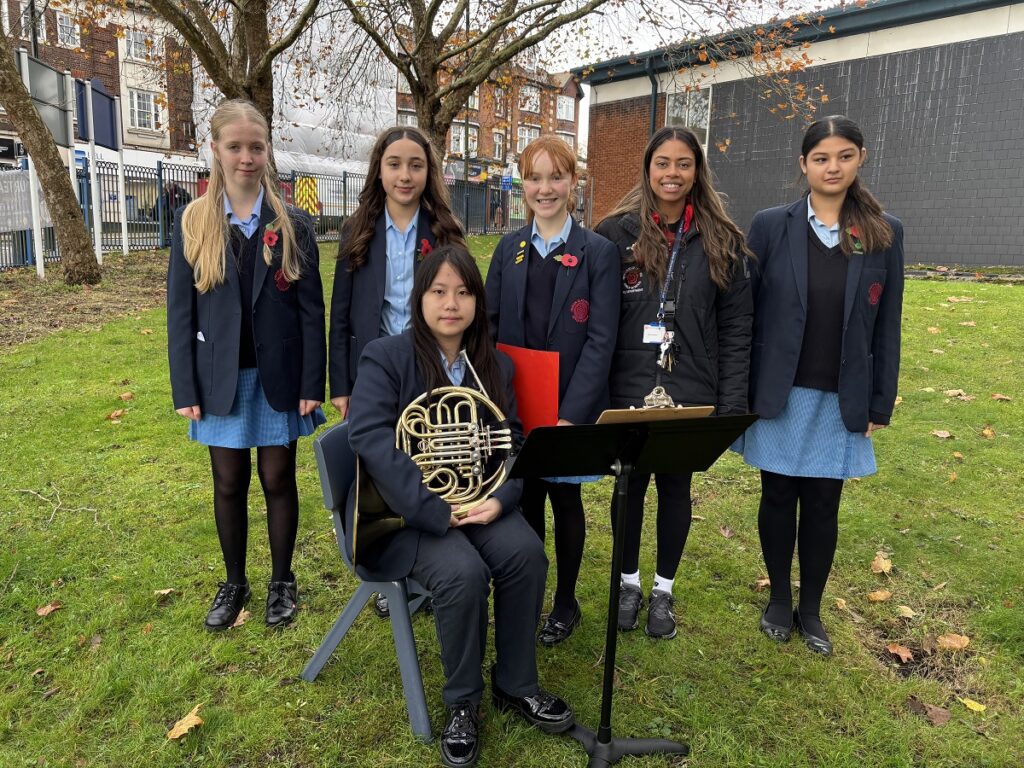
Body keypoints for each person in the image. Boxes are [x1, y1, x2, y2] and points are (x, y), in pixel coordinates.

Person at [347, 246, 574, 768]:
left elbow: (510, 442)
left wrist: (500, 499)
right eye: (439, 291)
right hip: (409, 515)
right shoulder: (387, 356)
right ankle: (463, 704)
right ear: (420, 298)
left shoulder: (495, 364)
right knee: (462, 575)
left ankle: (516, 684)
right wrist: (431, 509)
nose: (452, 303)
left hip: (478, 505)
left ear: (478, 300)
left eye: (464, 292)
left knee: (526, 556)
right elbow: (372, 437)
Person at [740, 115, 904, 656]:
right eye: (821, 157)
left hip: (842, 395)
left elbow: (889, 323)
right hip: (781, 392)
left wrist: (881, 398)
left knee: (824, 503)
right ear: (803, 165)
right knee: (778, 494)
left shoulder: (882, 232)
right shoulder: (770, 225)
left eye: (844, 156)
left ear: (861, 158)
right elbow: (747, 312)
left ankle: (811, 608)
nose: (832, 167)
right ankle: (779, 599)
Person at [166, 98, 326, 631]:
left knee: (278, 478)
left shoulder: (292, 224)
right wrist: (184, 385)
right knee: (229, 480)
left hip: (278, 378)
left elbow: (310, 313)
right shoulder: (193, 223)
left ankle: (283, 580)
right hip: (219, 380)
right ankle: (235, 581)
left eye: (256, 146)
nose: (246, 157)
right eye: (234, 147)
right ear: (215, 150)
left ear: (267, 150)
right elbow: (179, 312)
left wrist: (312, 383)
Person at [595, 126, 753, 640]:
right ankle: (628, 582)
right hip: (628, 382)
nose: (672, 174)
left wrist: (730, 404)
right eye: (662, 163)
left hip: (690, 383)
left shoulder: (722, 241)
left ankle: (663, 589)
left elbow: (736, 330)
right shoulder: (614, 235)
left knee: (675, 486)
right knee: (629, 484)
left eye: (683, 164)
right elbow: (596, 324)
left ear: (697, 171)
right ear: (647, 169)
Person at [485, 135, 620, 646]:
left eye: (555, 177)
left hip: (568, 408)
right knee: (525, 502)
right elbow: (492, 330)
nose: (545, 188)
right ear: (524, 185)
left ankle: (566, 600)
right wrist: (500, 402)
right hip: (519, 406)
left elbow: (601, 340)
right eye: (535, 178)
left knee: (565, 502)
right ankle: (530, 593)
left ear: (572, 182)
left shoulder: (597, 254)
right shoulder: (507, 249)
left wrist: (572, 413)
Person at [329, 124, 465, 617]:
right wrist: (341, 384)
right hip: (375, 369)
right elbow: (340, 313)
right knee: (383, 465)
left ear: (429, 173)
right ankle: (392, 567)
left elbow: (458, 304)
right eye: (394, 164)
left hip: (428, 366)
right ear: (379, 171)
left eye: (415, 165)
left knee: (425, 459)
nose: (405, 175)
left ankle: (427, 564)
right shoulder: (358, 230)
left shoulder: (446, 230)